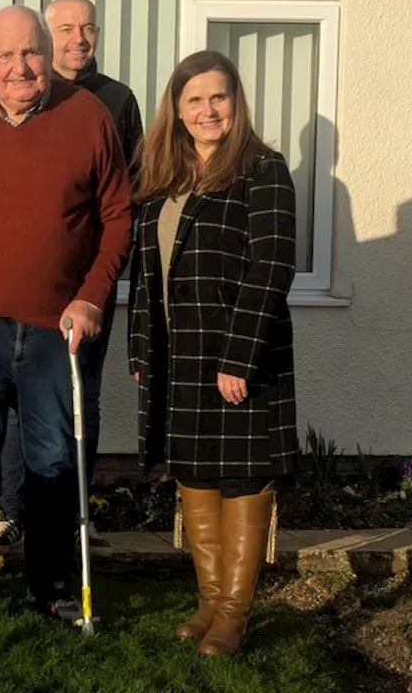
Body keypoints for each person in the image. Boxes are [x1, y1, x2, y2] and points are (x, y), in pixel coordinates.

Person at [0, 5, 132, 625]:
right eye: (7, 55)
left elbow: (119, 216)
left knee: (52, 463)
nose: (21, 67)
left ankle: (51, 587)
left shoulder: (89, 116)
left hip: (57, 327)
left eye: (32, 53)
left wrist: (92, 296)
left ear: (50, 55)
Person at [128, 49, 298, 658]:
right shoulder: (164, 176)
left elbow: (271, 267)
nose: (207, 110)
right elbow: (149, 276)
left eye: (218, 97)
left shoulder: (263, 168)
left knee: (244, 477)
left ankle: (233, 612)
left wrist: (239, 359)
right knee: (196, 474)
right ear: (176, 107)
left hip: (237, 358)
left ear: (236, 101)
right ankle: (207, 599)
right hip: (178, 356)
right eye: (194, 99)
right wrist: (142, 350)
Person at [0, 0, 147, 553]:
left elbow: (125, 201)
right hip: (17, 299)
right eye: (66, 28)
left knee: (82, 402)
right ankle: (11, 510)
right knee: (15, 405)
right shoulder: (15, 99)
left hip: (85, 294)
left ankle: (77, 516)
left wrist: (104, 284)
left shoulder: (116, 102)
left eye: (89, 28)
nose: (79, 38)